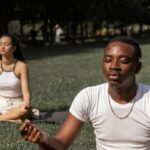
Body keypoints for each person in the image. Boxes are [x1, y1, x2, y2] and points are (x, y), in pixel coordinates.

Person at [20, 36, 150, 150]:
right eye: (108, 59)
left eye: (124, 61)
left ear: (137, 67)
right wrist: (43, 140)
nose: (114, 66)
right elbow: (60, 144)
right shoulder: (89, 97)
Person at [0, 34, 31, 122]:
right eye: (0, 44)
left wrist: (26, 102)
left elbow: (26, 91)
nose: (2, 47)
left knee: (24, 111)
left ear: (14, 48)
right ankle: (11, 119)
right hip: (1, 103)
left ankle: (4, 118)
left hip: (17, 105)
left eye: (6, 44)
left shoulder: (21, 66)